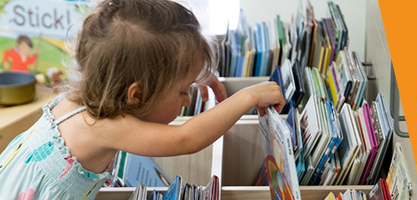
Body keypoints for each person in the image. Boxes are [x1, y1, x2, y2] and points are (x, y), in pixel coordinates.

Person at [0, 0, 285, 199]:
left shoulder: (82, 99)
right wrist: (249, 95)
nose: (187, 100)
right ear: (137, 95)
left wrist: (196, 75)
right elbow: (187, 139)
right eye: (182, 90)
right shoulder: (105, 126)